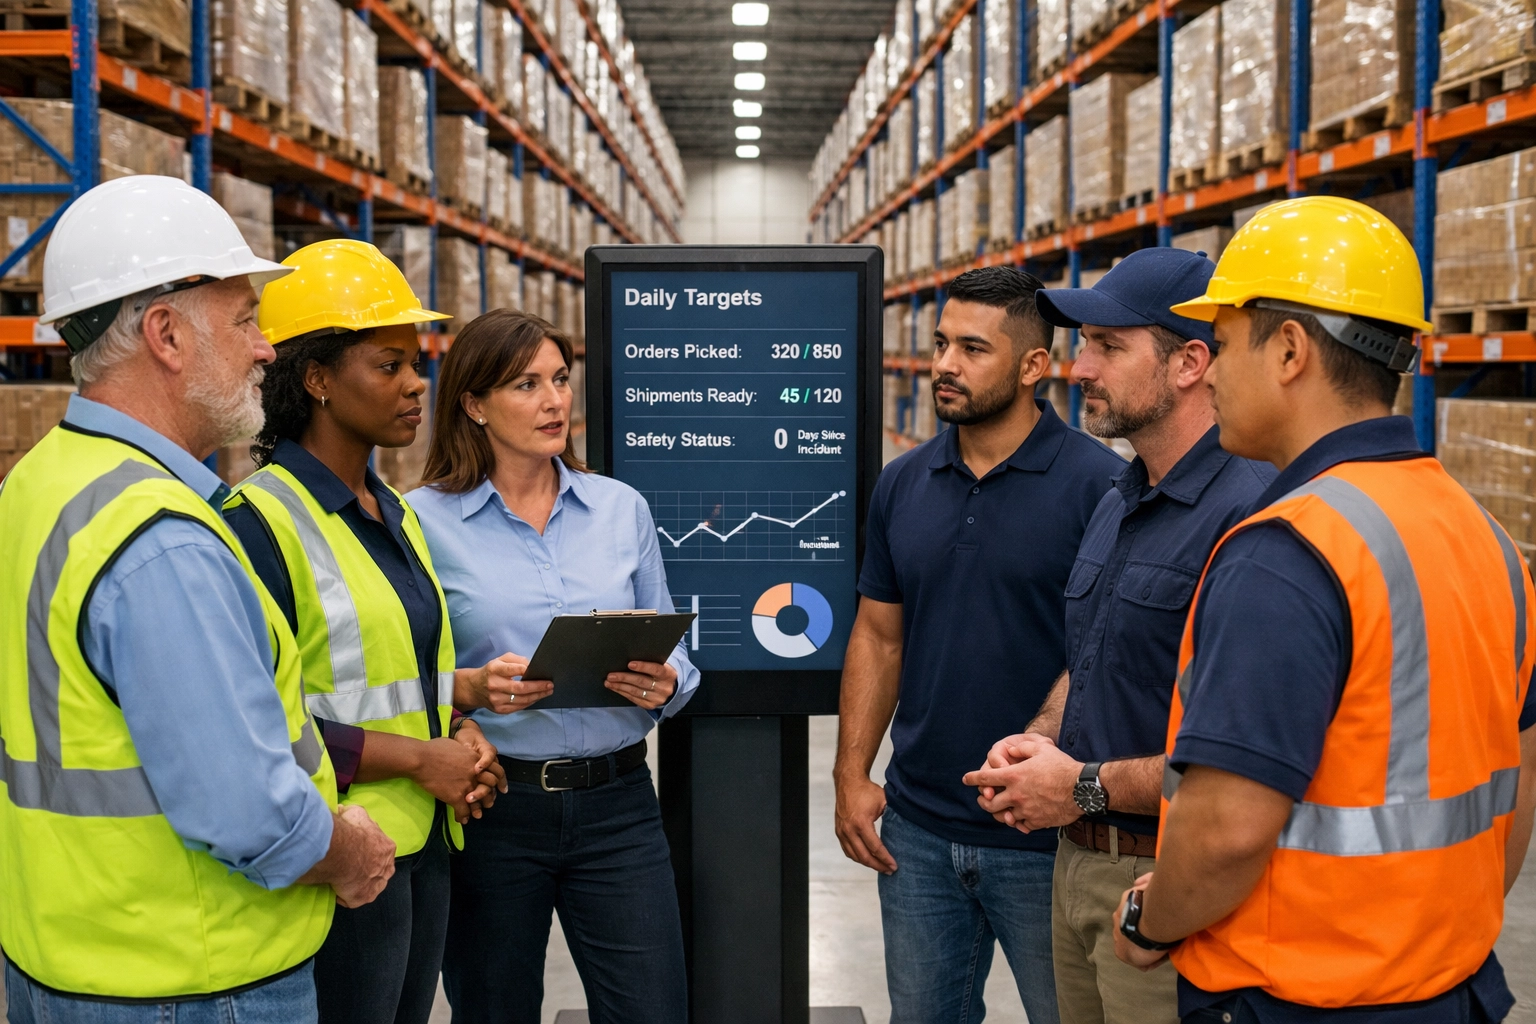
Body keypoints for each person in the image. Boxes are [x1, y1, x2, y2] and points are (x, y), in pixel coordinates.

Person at [1110, 196, 1536, 1023]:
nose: (1216, 371)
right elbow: (1514, 793)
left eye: (1226, 344)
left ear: (1291, 350)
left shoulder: (1289, 552)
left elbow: (1229, 827)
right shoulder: (1486, 538)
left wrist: (1150, 919)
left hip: (1300, 995)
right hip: (1451, 990)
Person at [0, 176, 396, 1020]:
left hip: (59, 961)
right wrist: (347, 847)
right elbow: (246, 809)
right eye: (246, 319)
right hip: (191, 979)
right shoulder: (159, 539)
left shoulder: (41, 482)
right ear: (166, 333)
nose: (265, 350)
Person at [959, 249, 1273, 1024]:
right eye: (1083, 344)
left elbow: (1243, 759)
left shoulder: (1251, 515)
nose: (1079, 368)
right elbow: (1093, 655)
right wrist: (1040, 740)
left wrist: (1083, 783)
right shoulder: (1120, 494)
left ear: (1190, 362)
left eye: (1108, 346)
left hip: (1167, 884)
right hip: (1076, 865)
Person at [222, 239, 512, 1024]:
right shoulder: (258, 524)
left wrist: (460, 730)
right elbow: (255, 725)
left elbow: (399, 672)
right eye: (389, 366)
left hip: (421, 854)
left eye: (417, 364)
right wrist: (426, 759)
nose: (418, 385)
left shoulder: (398, 514)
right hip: (339, 861)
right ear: (316, 379)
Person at [834, 265, 1126, 1023]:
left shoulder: (1102, 489)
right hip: (919, 833)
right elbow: (878, 634)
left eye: (972, 348)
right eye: (939, 344)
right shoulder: (903, 484)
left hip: (1046, 840)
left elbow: (1105, 653)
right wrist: (851, 772)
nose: (945, 365)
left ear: (1033, 366)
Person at [403, 308, 699, 1024]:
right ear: (473, 404)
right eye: (526, 384)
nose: (554, 401)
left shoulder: (619, 509)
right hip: (495, 808)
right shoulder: (420, 522)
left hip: (619, 806)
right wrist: (467, 692)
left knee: (653, 1010)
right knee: (494, 1009)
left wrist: (668, 682)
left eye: (560, 379)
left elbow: (677, 657)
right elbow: (401, 680)